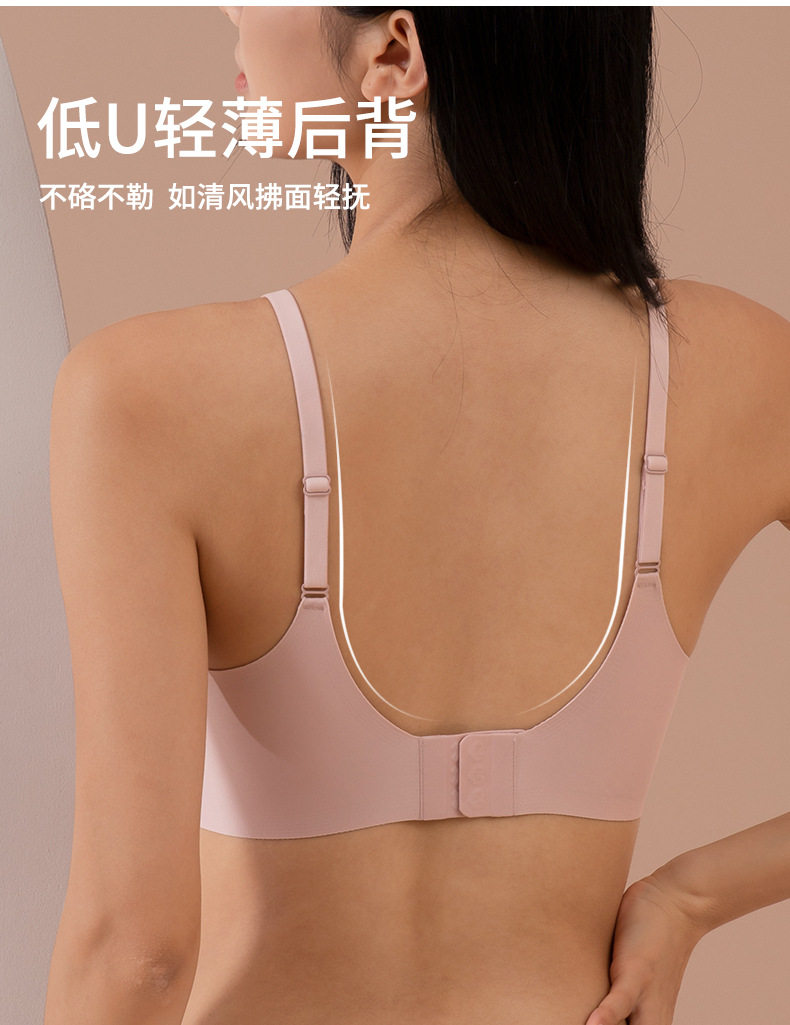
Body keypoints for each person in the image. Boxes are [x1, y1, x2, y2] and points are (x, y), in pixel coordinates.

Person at [44, 8, 790, 1025]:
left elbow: (135, 953)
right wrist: (691, 895)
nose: (230, 7)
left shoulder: (147, 395)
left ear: (394, 53)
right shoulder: (738, 371)